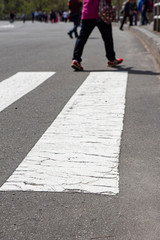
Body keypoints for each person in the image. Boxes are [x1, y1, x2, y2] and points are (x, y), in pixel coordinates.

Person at [71, 0, 123, 71]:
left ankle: (76, 60)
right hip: (102, 13)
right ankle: (111, 59)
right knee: (107, 38)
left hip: (87, 13)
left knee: (82, 38)